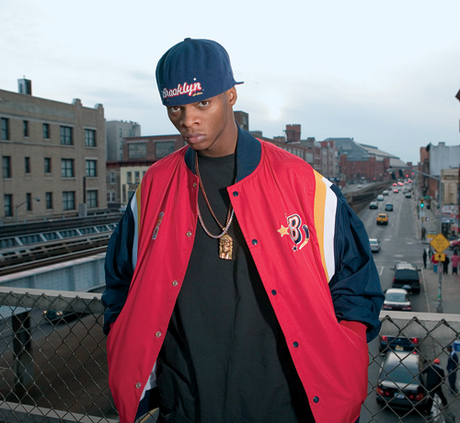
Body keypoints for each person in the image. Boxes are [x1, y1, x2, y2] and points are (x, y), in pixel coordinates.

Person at [102, 38, 384, 423]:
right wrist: (123, 335)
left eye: (203, 103)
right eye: (175, 107)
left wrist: (339, 356)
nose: (188, 120)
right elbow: (120, 281)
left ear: (231, 95)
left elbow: (357, 287)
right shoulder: (154, 186)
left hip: (286, 409)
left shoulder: (301, 183)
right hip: (185, 407)